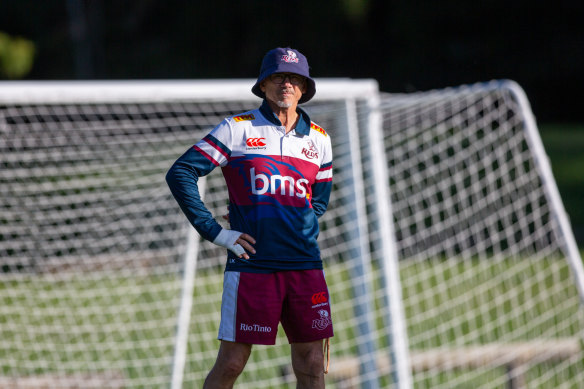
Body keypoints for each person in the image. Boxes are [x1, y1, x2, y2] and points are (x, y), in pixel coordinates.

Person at [166, 47, 333, 389]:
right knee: (231, 363)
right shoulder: (236, 129)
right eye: (278, 76)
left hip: (305, 267)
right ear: (263, 84)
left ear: (304, 87)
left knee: (313, 362)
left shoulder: (320, 138)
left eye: (295, 78)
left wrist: (293, 227)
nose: (286, 83)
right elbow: (181, 172)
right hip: (252, 266)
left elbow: (318, 202)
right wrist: (215, 232)